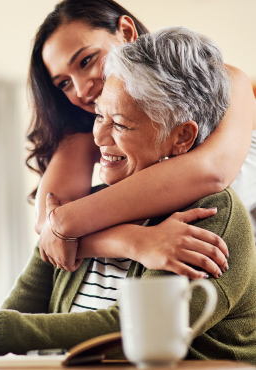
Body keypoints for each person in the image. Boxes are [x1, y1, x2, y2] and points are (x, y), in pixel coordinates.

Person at [0, 27, 256, 365]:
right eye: (99, 115)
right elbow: (17, 314)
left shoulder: (211, 215)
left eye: (120, 124)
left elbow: (126, 332)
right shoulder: (92, 206)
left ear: (182, 136)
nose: (98, 138)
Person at [28, 0, 256, 274]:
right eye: (64, 83)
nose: (80, 89)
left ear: (125, 32)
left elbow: (212, 172)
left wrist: (67, 222)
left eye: (86, 61)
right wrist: (134, 242)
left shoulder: (225, 81)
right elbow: (47, 223)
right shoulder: (87, 127)